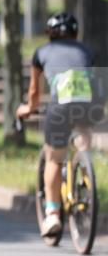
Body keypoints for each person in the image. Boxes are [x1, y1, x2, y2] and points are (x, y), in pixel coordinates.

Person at [16, 12, 102, 237]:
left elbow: (35, 94)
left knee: (54, 158)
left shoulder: (41, 53)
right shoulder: (86, 51)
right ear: (75, 32)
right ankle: (85, 173)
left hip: (60, 107)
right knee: (83, 134)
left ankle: (53, 213)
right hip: (89, 106)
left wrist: (27, 109)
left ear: (50, 34)